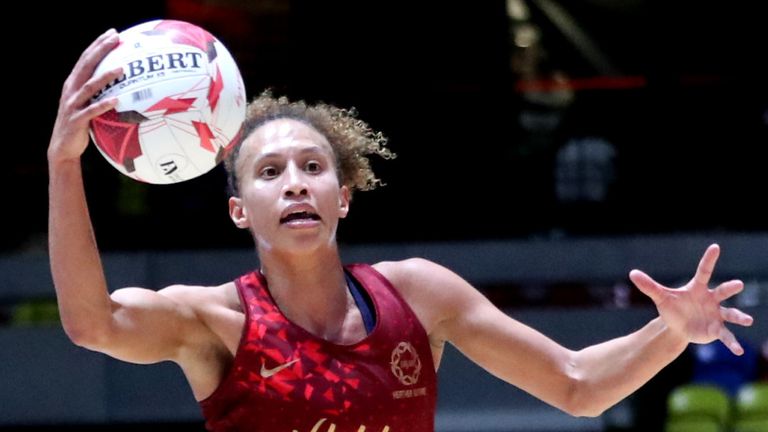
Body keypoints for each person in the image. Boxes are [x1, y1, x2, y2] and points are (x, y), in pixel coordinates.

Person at [48, 29, 755, 432]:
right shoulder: (212, 321)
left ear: (343, 196)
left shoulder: (417, 294)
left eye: (313, 167)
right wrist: (64, 164)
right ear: (240, 210)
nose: (295, 182)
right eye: (268, 172)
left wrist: (672, 332)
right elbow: (91, 323)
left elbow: (577, 385)